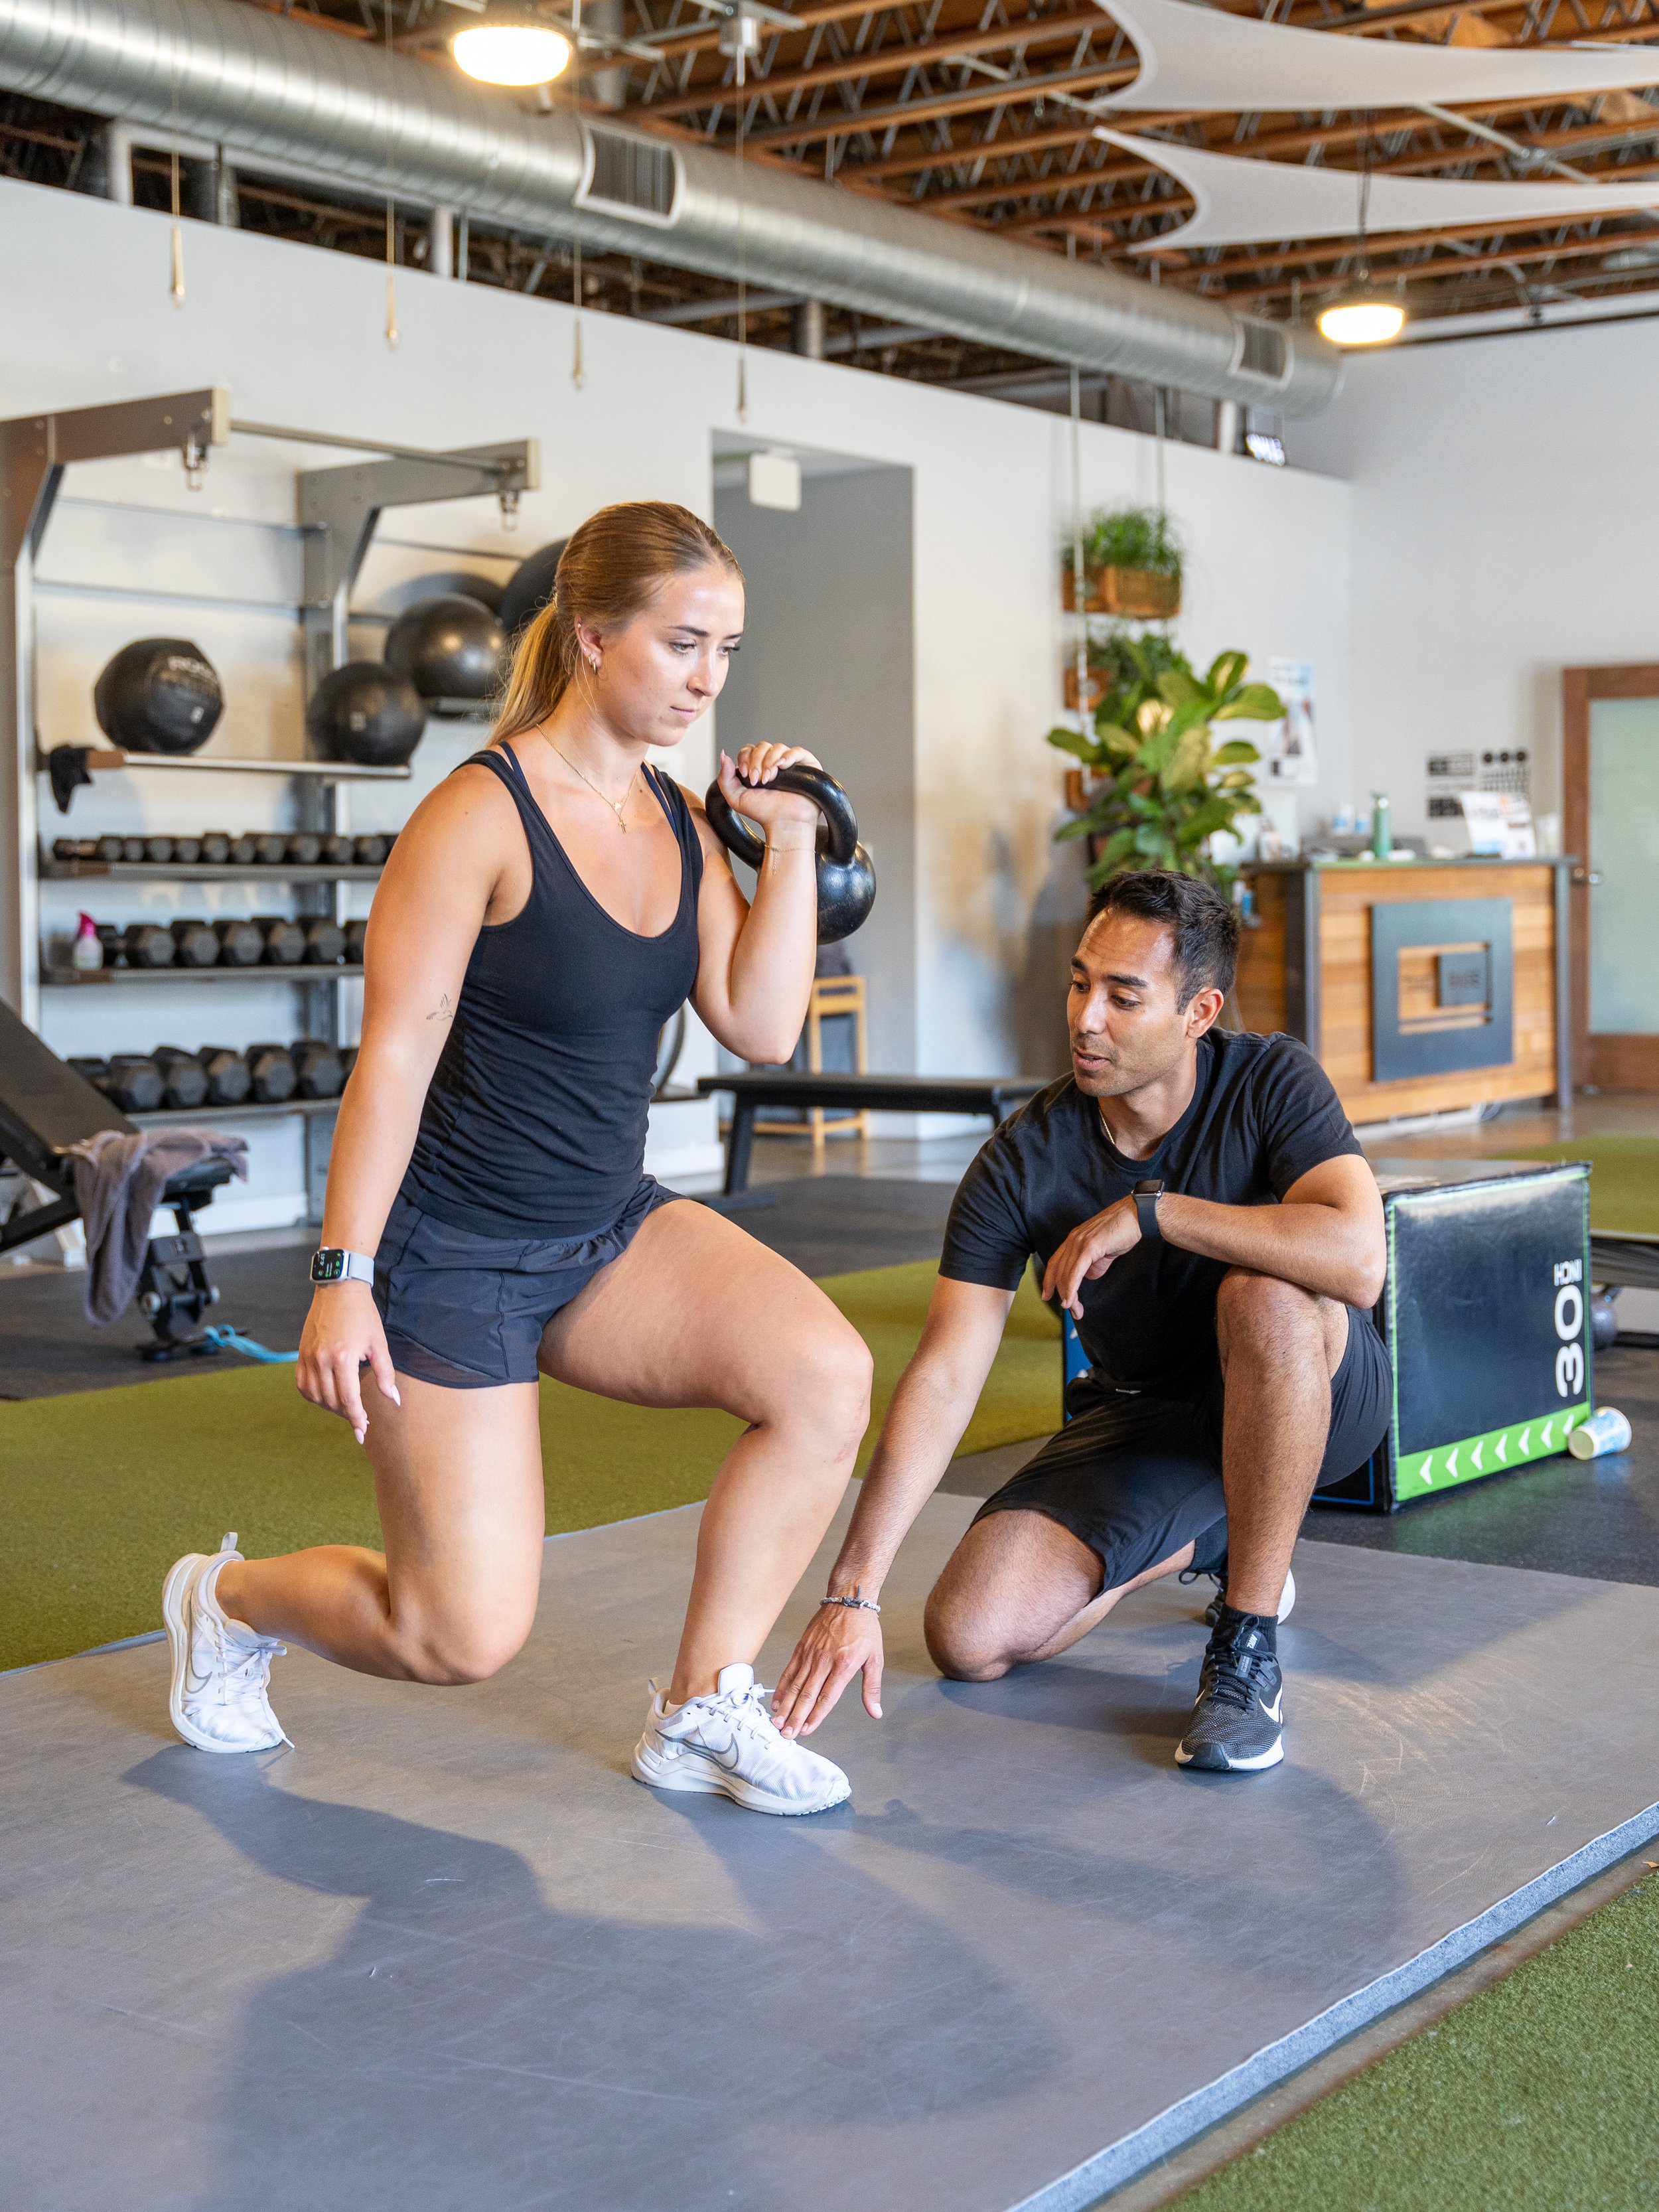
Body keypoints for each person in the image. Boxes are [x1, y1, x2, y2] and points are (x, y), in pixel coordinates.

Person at [161, 500, 873, 1818]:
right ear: (593, 635)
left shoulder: (678, 819)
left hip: (608, 1227)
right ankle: (228, 1599)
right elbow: (392, 1060)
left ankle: (703, 1704)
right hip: (457, 1253)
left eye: (725, 649)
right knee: (458, 1635)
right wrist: (342, 1274)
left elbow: (763, 1024)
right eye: (681, 644)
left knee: (825, 1376)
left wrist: (787, 837)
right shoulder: (475, 818)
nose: (707, 680)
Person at [771, 869, 1390, 1775]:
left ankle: (1246, 1646)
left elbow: (1361, 1261)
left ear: (1200, 1011)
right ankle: (1221, 1527)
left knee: (1261, 1293)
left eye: (1123, 996)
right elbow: (945, 1372)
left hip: (1321, 1393)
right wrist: (854, 1590)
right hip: (1153, 1416)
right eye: (1079, 983)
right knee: (968, 1633)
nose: (1086, 1018)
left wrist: (1156, 1213)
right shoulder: (1024, 1159)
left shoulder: (1270, 1078)